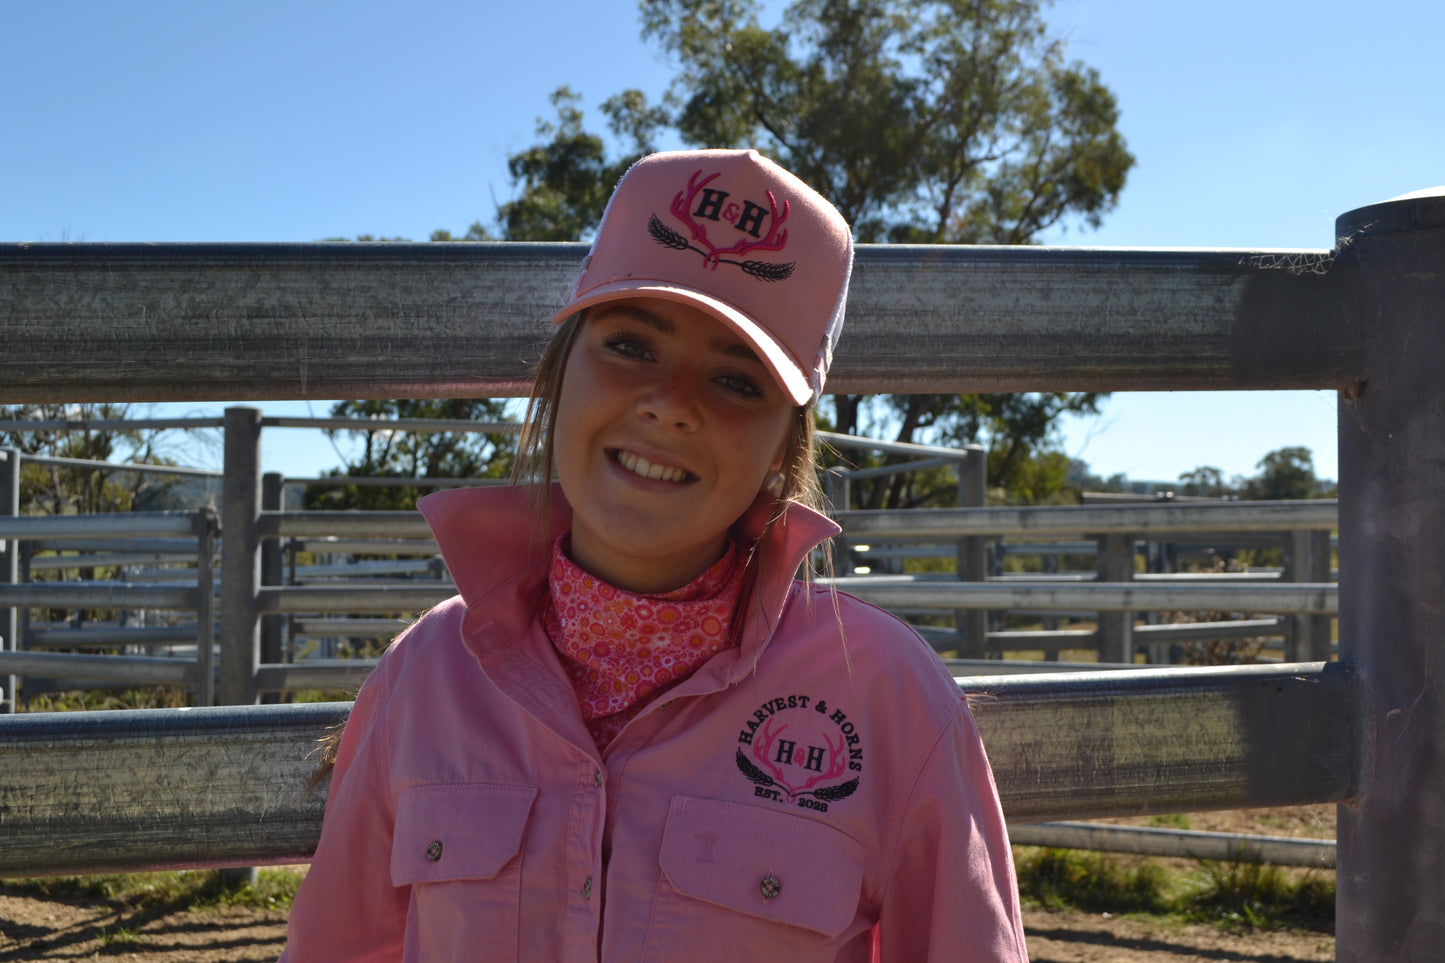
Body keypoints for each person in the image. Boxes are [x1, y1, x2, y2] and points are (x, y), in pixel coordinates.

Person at [280, 148, 1028, 962]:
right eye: (632, 345)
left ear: (784, 448)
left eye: (739, 383)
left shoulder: (889, 696)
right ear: (559, 374)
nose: (670, 406)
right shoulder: (424, 672)